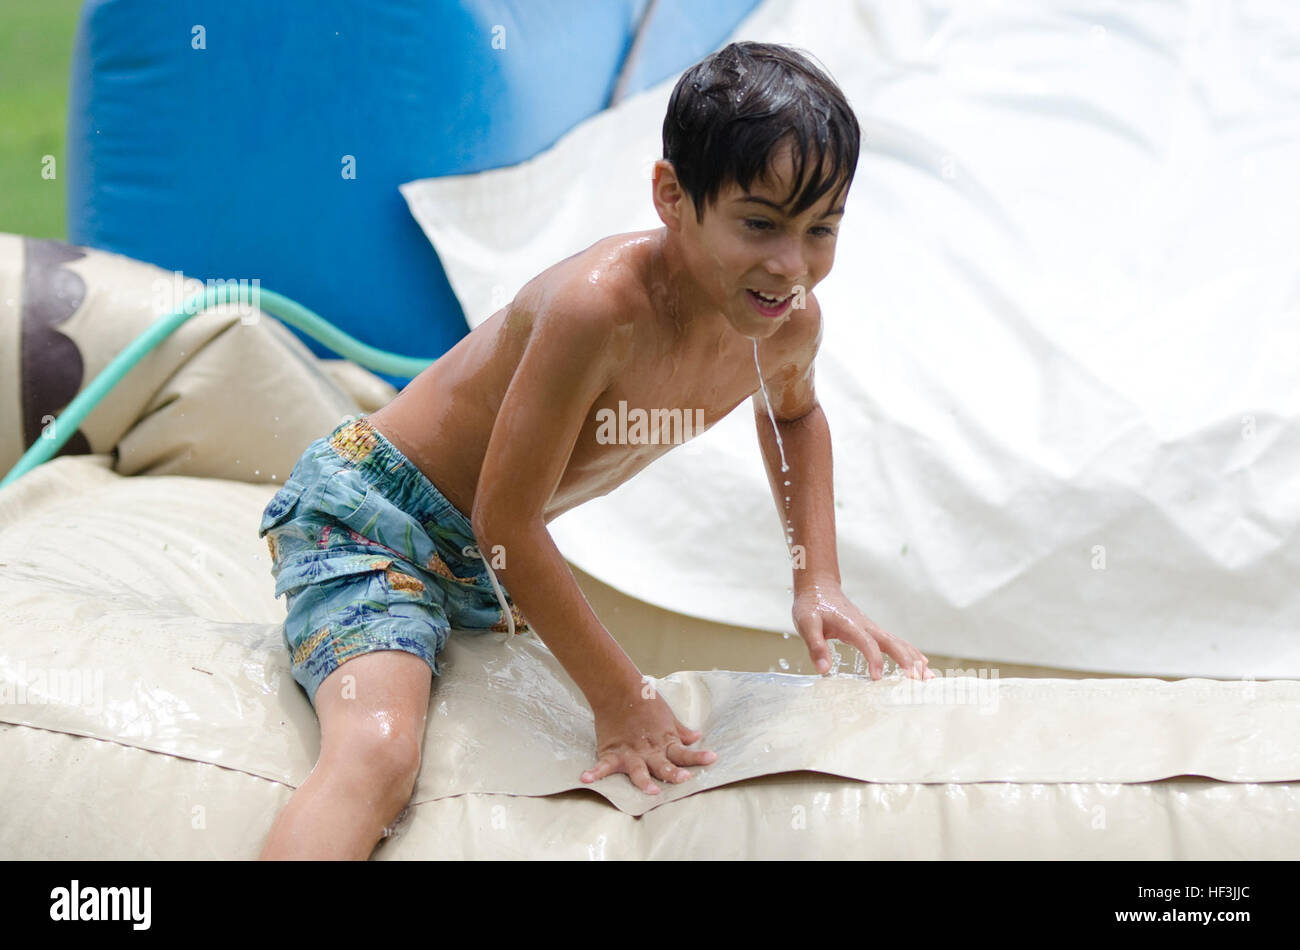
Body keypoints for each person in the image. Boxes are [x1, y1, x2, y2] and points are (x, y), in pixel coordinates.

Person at [257, 40, 932, 860]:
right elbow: (505, 520)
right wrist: (621, 698)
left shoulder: (787, 325)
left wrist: (817, 576)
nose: (791, 265)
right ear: (671, 196)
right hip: (375, 519)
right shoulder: (598, 310)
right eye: (758, 223)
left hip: (476, 564)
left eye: (820, 229)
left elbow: (794, 419)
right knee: (380, 751)